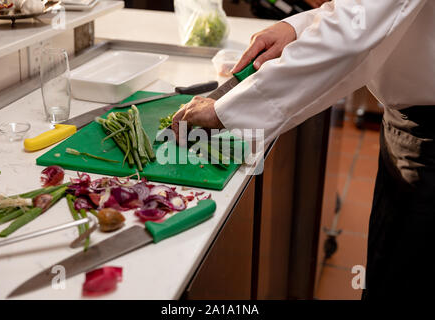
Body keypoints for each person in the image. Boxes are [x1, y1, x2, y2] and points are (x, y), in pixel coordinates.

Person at [172, 0, 435, 300]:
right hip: (409, 125)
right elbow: (365, 11)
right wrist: (297, 27)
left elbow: (355, 28)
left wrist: (227, 111)